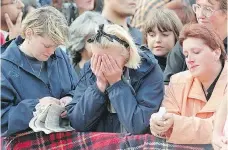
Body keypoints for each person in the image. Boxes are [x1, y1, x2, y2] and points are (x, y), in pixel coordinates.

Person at [67, 24, 164, 134]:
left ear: (127, 53)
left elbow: (138, 126)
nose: (104, 65)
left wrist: (116, 83)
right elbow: (78, 123)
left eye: (110, 60)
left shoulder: (149, 71)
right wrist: (99, 86)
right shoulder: (91, 69)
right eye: (98, 58)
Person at [1, 6, 78, 137]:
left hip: (64, 138)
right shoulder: (4, 66)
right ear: (29, 33)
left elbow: (78, 89)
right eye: (47, 46)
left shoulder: (59, 55)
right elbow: (2, 119)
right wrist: (37, 106)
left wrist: (70, 98)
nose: (52, 51)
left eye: (56, 46)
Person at [150, 23, 227, 144]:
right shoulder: (177, 81)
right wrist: (159, 125)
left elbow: (220, 129)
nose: (189, 60)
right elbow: (167, 122)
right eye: (186, 55)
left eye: (196, 52)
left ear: (216, 53)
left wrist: (175, 123)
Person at [163, 0, 227, 85]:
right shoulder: (186, 42)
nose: (200, 15)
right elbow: (167, 85)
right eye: (197, 7)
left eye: (207, 9)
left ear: (226, 13)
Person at [68, 11, 107, 76]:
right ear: (80, 40)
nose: (100, 41)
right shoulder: (69, 74)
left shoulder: (112, 71)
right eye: (93, 36)